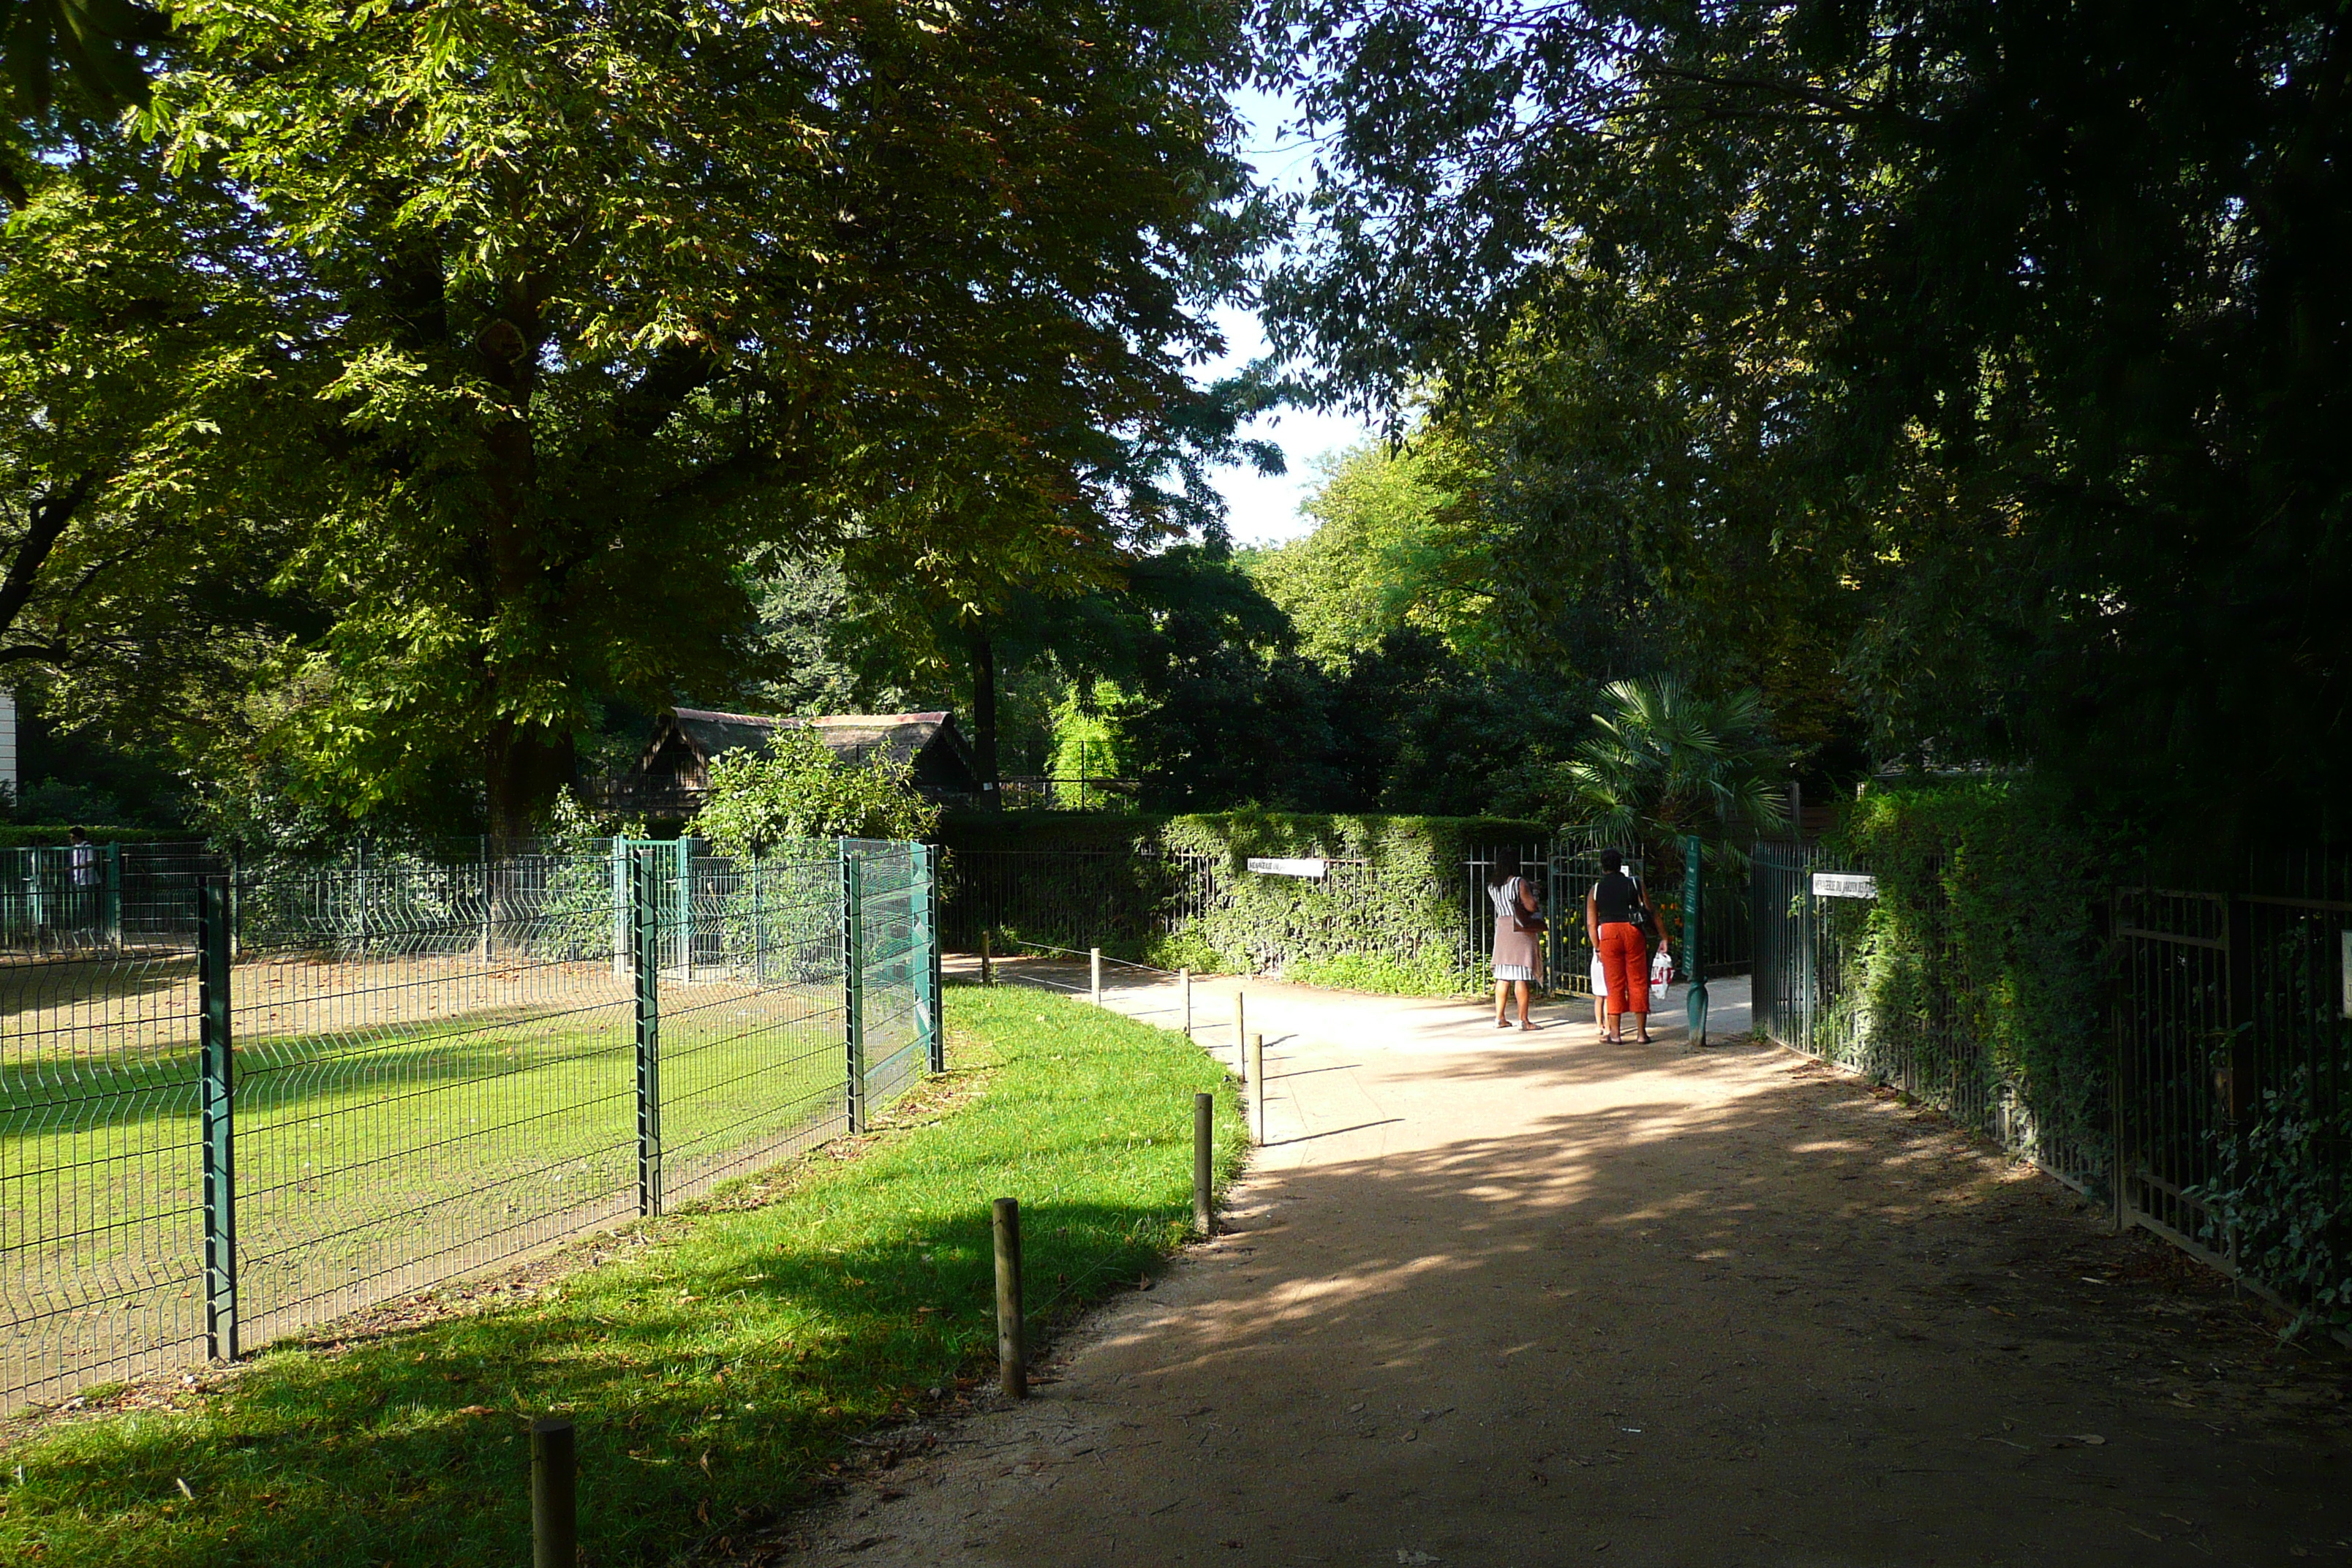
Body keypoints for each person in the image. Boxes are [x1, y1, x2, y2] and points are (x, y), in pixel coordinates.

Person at [1585, 848, 1660, 1043]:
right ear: (1620, 865)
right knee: (1638, 981)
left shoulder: (1596, 890)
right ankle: (1642, 1034)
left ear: (1602, 866)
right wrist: (1664, 935)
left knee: (1614, 983)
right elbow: (1651, 910)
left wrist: (1597, 946)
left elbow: (1592, 923)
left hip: (1609, 933)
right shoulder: (1634, 883)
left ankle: (1616, 1033)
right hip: (1632, 930)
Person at [1488, 851, 1544, 1030]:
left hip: (1502, 929)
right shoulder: (1519, 882)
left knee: (1503, 975)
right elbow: (1530, 905)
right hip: (1519, 929)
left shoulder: (1493, 886)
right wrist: (1534, 893)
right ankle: (1524, 1020)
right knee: (1521, 975)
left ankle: (1500, 1017)